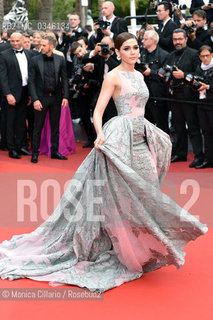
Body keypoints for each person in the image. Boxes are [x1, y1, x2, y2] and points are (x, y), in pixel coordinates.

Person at [0, 32, 207, 293]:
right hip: (119, 136)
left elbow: (142, 108)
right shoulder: (113, 76)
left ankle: (139, 246)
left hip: (141, 135)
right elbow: (97, 111)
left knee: (145, 189)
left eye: (136, 48)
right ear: (118, 51)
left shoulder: (140, 75)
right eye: (128, 49)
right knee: (119, 193)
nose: (134, 52)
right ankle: (119, 247)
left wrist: (154, 129)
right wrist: (99, 135)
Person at [165, 29, 204, 167]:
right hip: (174, 96)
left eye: (180, 39)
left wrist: (184, 75)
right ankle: (181, 154)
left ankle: (199, 155)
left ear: (186, 39)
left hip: (189, 96)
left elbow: (199, 73)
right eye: (175, 39)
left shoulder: (194, 54)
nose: (177, 42)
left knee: (193, 127)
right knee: (178, 126)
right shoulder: (171, 55)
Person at [29, 36, 69, 163]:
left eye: (44, 45)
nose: (42, 47)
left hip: (56, 98)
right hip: (41, 98)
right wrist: (35, 99)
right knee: (38, 127)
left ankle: (55, 151)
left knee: (55, 126)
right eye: (41, 45)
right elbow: (31, 82)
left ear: (51, 46)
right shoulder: (34, 60)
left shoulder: (60, 59)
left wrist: (66, 96)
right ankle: (35, 153)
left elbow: (65, 79)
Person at [0, 31, 33, 159]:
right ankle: (11, 148)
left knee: (21, 121)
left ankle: (21, 146)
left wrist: (31, 94)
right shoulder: (3, 55)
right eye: (12, 41)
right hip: (11, 94)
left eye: (17, 41)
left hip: (25, 92)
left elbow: (30, 76)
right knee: (10, 122)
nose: (14, 43)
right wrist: (8, 94)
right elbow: (2, 77)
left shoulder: (29, 54)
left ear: (22, 40)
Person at [194, 45, 213, 168]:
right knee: (205, 132)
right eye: (202, 56)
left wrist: (208, 87)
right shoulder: (199, 68)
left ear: (212, 55)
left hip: (212, 103)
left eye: (207, 55)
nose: (205, 58)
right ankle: (208, 159)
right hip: (201, 103)